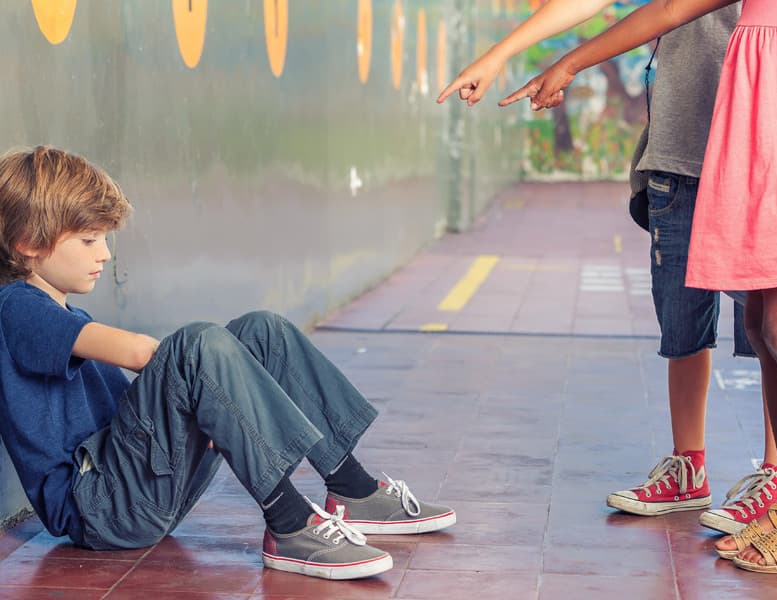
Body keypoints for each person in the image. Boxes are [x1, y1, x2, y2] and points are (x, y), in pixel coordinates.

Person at [0, 146, 456, 580]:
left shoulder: (62, 313)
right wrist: (219, 389)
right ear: (28, 243)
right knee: (198, 346)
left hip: (133, 488)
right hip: (99, 508)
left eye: (104, 238)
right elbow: (141, 354)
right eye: (88, 239)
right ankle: (290, 523)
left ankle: (352, 489)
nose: (104, 253)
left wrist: (213, 406)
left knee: (262, 333)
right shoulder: (16, 308)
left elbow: (133, 409)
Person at [437, 0, 777, 545]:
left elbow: (670, 9)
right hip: (678, 145)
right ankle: (687, 468)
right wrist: (501, 53)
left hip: (757, 146)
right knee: (681, 320)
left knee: (772, 330)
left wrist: (568, 64)